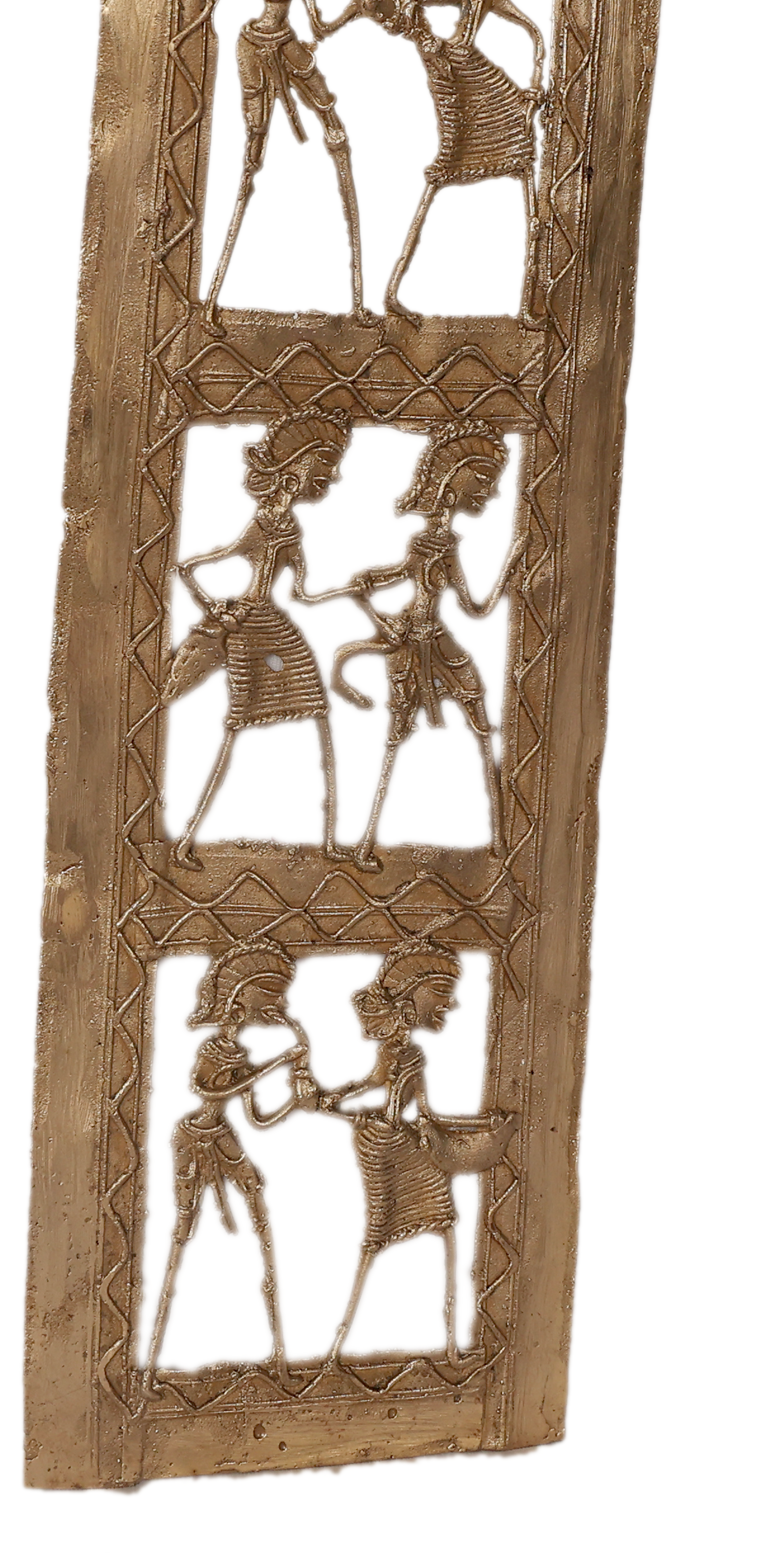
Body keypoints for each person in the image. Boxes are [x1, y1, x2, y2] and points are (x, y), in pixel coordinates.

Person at [164, 406, 365, 868]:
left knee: (317, 709)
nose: (332, 478)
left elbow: (302, 594)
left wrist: (349, 590)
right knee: (237, 724)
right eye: (324, 469)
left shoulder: (291, 531)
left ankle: (330, 843)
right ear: (292, 474)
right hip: (247, 628)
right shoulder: (260, 527)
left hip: (277, 631)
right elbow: (190, 568)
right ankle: (184, 842)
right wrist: (212, 607)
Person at [361, 0, 554, 324]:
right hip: (457, 67)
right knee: (460, 161)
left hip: (469, 65)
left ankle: (529, 303)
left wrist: (535, 61)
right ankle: (395, 293)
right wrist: (418, 1)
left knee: (514, 160)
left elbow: (486, 7)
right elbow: (459, 0)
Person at [201, 0, 377, 332]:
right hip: (258, 45)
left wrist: (358, 8)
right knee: (252, 155)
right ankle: (211, 301)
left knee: (337, 131)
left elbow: (318, 24)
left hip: (289, 43)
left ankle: (358, 302)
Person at [330, 421, 521, 868]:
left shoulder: (437, 545)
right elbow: (475, 607)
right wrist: (508, 570)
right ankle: (366, 845)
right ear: (454, 483)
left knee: (474, 728)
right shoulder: (432, 547)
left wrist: (509, 570)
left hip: (433, 642)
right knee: (407, 737)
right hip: (414, 645)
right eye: (483, 481)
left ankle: (500, 841)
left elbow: (458, 602)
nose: (491, 493)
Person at [144, 940, 318, 1384]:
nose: (281, 1008)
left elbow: (257, 1118)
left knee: (258, 1204)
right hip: (193, 1137)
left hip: (222, 1135)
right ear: (243, 1000)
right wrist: (276, 1063)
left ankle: (279, 1360)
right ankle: (148, 1371)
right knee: (183, 1230)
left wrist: (295, 1103)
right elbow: (208, 1090)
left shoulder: (240, 1057)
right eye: (272, 997)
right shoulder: (212, 1051)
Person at [318, 938, 467, 1365]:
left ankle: (449, 1343)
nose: (451, 1005)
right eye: (441, 994)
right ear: (409, 1004)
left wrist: (341, 1099)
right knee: (408, 1228)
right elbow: (383, 1088)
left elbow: (414, 1105)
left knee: (431, 1224)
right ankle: (341, 1348)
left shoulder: (406, 1053)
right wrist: (339, 1096)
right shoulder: (400, 1054)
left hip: (390, 1138)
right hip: (387, 1143)